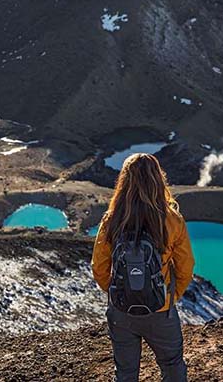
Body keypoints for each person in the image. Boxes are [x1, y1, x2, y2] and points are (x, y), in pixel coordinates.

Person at [91, 153, 194, 382]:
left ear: (124, 181)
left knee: (126, 373)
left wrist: (118, 293)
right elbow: (186, 267)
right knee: (172, 366)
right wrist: (169, 297)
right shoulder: (172, 219)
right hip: (160, 310)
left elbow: (99, 267)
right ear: (158, 179)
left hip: (121, 311)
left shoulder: (111, 220)